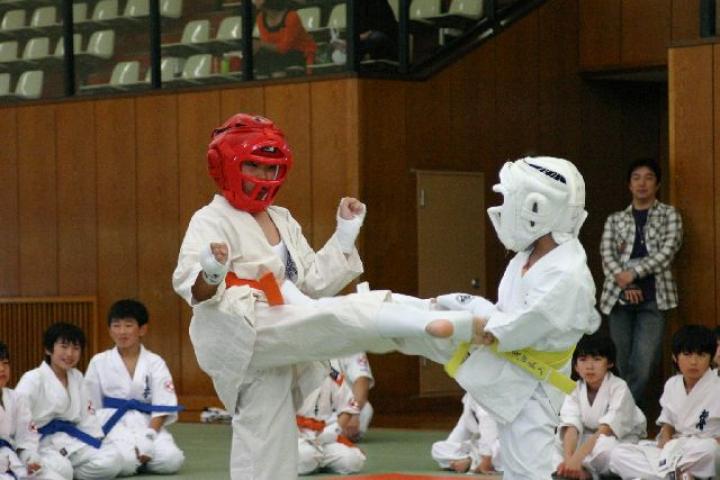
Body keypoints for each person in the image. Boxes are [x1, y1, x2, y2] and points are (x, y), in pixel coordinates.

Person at [172, 112, 479, 480]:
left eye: (270, 168)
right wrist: (212, 271)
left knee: (272, 442)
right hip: (245, 328)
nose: (264, 177)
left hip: (284, 325)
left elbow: (313, 281)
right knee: (335, 319)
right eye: (254, 166)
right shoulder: (210, 220)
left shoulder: (281, 218)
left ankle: (431, 321)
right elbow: (195, 290)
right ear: (225, 166)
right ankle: (423, 316)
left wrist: (345, 233)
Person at [432, 156, 601, 480]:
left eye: (510, 200)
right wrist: (454, 305)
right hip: (511, 376)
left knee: (528, 471)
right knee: (513, 468)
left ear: (537, 208)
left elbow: (509, 329)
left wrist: (461, 320)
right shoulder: (525, 257)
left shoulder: (568, 274)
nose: (503, 208)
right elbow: (502, 315)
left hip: (534, 387)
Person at [600, 158, 683, 405]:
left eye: (648, 178)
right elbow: (607, 255)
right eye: (636, 178)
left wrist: (634, 274)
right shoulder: (615, 219)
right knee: (621, 361)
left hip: (655, 297)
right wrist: (627, 283)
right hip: (618, 297)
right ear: (629, 184)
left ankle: (620, 412)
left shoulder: (669, 215)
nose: (642, 183)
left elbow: (668, 251)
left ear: (657, 184)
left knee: (644, 362)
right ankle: (624, 414)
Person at [83, 299, 185, 476]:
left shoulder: (155, 362)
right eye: (116, 326)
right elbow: (90, 405)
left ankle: (141, 457)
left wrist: (150, 436)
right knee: (126, 463)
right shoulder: (99, 362)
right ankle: (137, 460)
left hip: (146, 422)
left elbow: (163, 404)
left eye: (128, 325)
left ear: (142, 329)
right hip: (112, 422)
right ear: (110, 330)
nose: (122, 331)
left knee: (172, 460)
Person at [609, 325, 720, 479]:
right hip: (674, 448)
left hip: (701, 449)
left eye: (701, 355)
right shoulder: (672, 384)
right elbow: (667, 424)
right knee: (618, 454)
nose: (694, 362)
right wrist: (666, 443)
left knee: (710, 450)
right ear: (675, 357)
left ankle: (666, 475)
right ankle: (677, 476)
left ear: (711, 357)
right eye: (687, 354)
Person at [15, 322, 123, 480]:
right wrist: (26, 452)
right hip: (40, 443)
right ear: (48, 349)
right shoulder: (33, 379)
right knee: (63, 470)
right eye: (64, 347)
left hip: (70, 438)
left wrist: (96, 439)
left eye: (76, 348)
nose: (70, 354)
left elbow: (87, 417)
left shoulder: (77, 377)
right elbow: (17, 418)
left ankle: (71, 473)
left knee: (113, 460)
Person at [553, 333, 646, 480]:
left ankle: (588, 474)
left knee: (606, 449)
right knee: (554, 444)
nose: (589, 366)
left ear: (610, 363)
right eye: (583, 360)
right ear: (575, 366)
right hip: (586, 439)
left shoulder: (619, 387)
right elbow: (571, 426)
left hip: (617, 439)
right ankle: (571, 471)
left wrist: (577, 458)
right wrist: (569, 460)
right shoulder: (574, 389)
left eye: (597, 359)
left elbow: (606, 429)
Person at [295, 365, 366, 475]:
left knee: (352, 461)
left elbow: (350, 405)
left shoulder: (331, 373)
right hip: (297, 435)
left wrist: (335, 429)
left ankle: (319, 460)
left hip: (324, 435)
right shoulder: (292, 371)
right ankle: (315, 459)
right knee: (306, 457)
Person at [0, 342, 52, 480]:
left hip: (13, 460)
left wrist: (29, 458)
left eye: (5, 363)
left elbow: (26, 437)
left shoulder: (16, 398)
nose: (2, 369)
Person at [431, 392, 501, 474]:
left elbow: (489, 431)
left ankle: (470, 461)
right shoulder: (469, 398)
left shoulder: (487, 397)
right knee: (438, 448)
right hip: (478, 447)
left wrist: (484, 458)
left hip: (501, 444)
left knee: (500, 449)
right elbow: (459, 433)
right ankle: (471, 460)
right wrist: (452, 448)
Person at [252, 0, 317, 75]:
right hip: (276, 53)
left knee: (275, 60)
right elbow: (267, 42)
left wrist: (260, 44)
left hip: (299, 52)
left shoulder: (291, 16)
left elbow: (286, 47)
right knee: (260, 58)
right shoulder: (260, 18)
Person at [331, 353, 374, 441]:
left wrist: (352, 412)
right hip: (309, 405)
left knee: (365, 409)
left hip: (340, 408)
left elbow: (362, 380)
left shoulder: (352, 347)